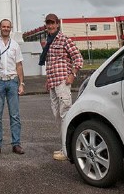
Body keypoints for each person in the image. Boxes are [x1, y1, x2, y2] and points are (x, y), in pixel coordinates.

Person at [39, 13, 83, 161]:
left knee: (65, 114)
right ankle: (65, 146)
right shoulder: (49, 41)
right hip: (52, 82)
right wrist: (47, 79)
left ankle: (67, 150)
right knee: (57, 116)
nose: (50, 26)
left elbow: (78, 58)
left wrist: (73, 74)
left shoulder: (63, 39)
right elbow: (50, 63)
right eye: (48, 23)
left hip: (62, 82)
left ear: (57, 24)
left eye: (53, 23)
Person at [0, 19, 25, 156]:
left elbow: (19, 65)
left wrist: (21, 83)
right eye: (4, 26)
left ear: (11, 28)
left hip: (12, 82)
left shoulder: (15, 45)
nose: (6, 29)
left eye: (8, 27)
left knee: (15, 116)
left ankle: (16, 144)